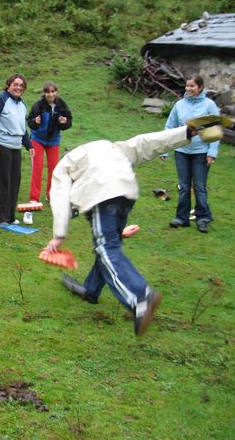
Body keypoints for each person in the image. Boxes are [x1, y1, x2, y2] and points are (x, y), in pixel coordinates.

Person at [44, 123, 221, 335]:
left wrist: (59, 235)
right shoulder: (111, 147)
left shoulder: (65, 164)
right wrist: (186, 132)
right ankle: (91, 289)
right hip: (126, 193)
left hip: (101, 194)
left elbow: (60, 195)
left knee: (105, 247)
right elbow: (148, 143)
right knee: (111, 244)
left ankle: (140, 298)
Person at [162, 74, 220, 233]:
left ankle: (203, 218)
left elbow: (215, 131)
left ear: (200, 87)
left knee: (200, 187)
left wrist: (212, 153)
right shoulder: (179, 105)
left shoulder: (209, 105)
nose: (188, 89)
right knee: (184, 187)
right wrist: (166, 150)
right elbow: (170, 127)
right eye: (187, 86)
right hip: (182, 151)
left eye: (192, 86)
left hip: (201, 152)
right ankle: (182, 218)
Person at [0, 73, 35, 226]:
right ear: (8, 85)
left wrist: (29, 145)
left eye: (21, 85)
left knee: (14, 181)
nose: (18, 87)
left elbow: (21, 128)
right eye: (15, 84)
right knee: (2, 182)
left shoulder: (22, 104)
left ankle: (10, 216)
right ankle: (0, 218)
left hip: (14, 146)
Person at [27, 81, 72, 203]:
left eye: (52, 91)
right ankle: (34, 198)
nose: (50, 94)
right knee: (38, 167)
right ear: (44, 93)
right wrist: (35, 122)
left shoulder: (61, 105)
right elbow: (30, 121)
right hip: (38, 140)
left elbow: (69, 122)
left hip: (54, 141)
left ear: (56, 92)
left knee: (54, 168)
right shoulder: (38, 105)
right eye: (47, 92)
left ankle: (50, 195)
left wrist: (64, 122)